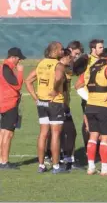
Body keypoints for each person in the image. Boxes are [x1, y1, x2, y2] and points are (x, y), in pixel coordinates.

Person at [25, 42, 71, 174]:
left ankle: (41, 165)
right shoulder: (59, 65)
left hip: (42, 103)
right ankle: (56, 166)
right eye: (61, 49)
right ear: (55, 50)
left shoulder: (41, 64)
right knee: (55, 134)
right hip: (54, 103)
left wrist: (35, 98)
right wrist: (56, 90)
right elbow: (58, 78)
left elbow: (28, 81)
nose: (63, 51)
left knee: (43, 134)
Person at [75, 51, 107, 176]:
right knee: (105, 138)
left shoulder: (88, 71)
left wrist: (89, 97)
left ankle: (91, 167)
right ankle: (105, 169)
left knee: (93, 137)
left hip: (90, 107)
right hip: (104, 107)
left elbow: (77, 85)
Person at [0, 47, 25, 170]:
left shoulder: (4, 68)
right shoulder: (6, 68)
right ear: (13, 57)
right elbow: (17, 85)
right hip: (9, 105)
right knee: (8, 134)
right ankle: (4, 162)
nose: (19, 62)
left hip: (4, 104)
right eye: (19, 59)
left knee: (3, 133)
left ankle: (1, 160)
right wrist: (20, 72)